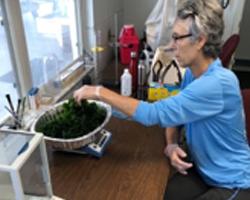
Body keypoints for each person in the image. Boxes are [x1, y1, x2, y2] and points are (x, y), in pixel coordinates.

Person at [74, 0, 250, 199]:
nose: (171, 46)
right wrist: (171, 145)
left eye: (177, 38)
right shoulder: (194, 74)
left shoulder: (217, 84)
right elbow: (172, 115)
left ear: (200, 40)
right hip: (204, 170)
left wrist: (99, 92)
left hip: (233, 182)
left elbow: (153, 114)